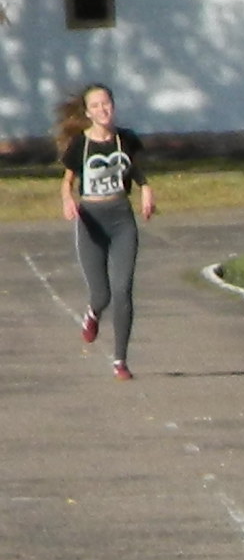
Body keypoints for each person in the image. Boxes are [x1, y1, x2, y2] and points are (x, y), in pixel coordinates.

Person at [58, 84, 152, 379]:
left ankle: (120, 361)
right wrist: (67, 200)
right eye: (96, 106)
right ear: (88, 113)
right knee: (102, 294)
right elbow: (67, 182)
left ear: (113, 106)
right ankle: (93, 313)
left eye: (106, 103)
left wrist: (146, 190)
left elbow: (135, 171)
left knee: (123, 290)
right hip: (91, 222)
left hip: (121, 219)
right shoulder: (80, 145)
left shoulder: (126, 139)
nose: (103, 109)